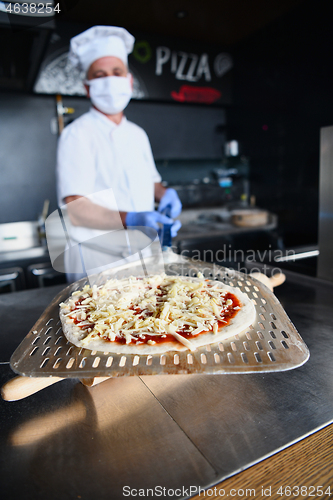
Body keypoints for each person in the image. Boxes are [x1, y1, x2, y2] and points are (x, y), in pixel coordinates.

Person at [56, 26, 182, 281]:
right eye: (100, 75)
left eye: (116, 72)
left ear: (129, 81)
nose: (110, 80)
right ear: (88, 87)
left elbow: (151, 181)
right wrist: (133, 218)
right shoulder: (77, 134)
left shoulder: (137, 133)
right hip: (97, 258)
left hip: (144, 252)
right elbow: (76, 210)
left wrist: (164, 192)